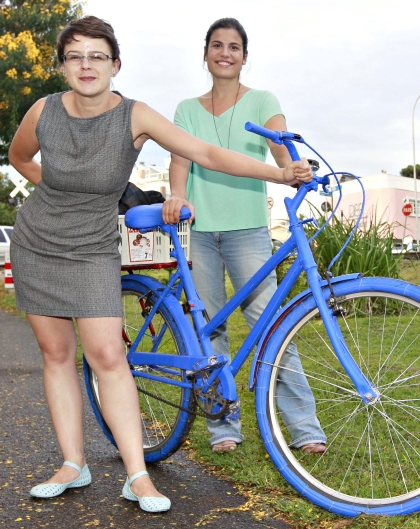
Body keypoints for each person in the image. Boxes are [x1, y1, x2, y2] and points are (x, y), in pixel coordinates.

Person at [7, 16, 312, 513]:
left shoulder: (136, 115)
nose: (87, 65)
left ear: (115, 65)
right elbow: (20, 157)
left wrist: (278, 173)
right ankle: (71, 463)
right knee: (56, 354)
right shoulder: (42, 111)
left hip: (92, 246)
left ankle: (136, 475)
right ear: (63, 66)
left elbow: (207, 153)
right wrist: (61, 191)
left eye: (97, 56)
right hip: (38, 241)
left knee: (107, 354)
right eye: (75, 56)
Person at [160, 18, 327, 455]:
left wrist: (293, 166)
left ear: (244, 57)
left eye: (234, 47)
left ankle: (305, 429)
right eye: (217, 45)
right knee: (209, 334)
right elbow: (180, 163)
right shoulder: (186, 110)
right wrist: (177, 195)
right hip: (201, 233)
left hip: (247, 232)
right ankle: (223, 428)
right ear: (206, 54)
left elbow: (279, 143)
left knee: (272, 327)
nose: (225, 53)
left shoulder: (262, 100)